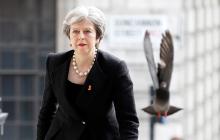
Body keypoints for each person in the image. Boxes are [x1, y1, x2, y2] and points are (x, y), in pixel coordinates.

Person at [37, 6, 139, 140]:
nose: (81, 36)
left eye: (87, 31)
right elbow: (46, 111)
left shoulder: (115, 67)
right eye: (75, 31)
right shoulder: (54, 62)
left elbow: (128, 121)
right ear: (69, 36)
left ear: (98, 37)